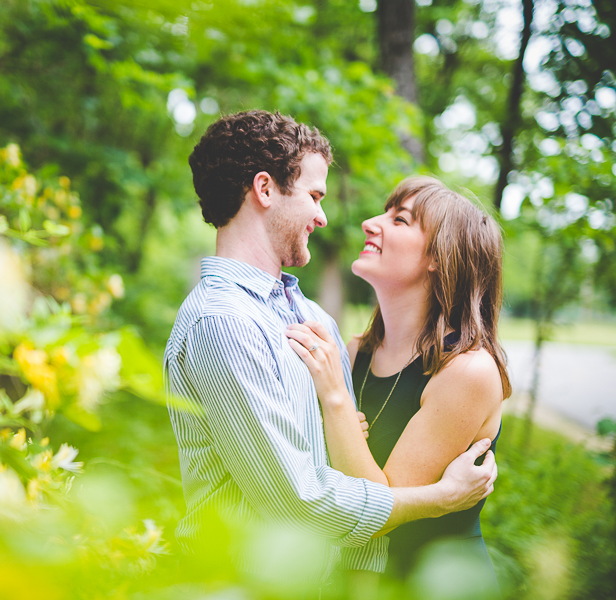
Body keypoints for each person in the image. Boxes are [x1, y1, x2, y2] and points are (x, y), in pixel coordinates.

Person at [165, 110, 497, 583]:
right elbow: (300, 501)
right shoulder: (222, 323)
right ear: (264, 190)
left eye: (398, 219)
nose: (325, 216)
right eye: (315, 196)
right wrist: (439, 498)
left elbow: (341, 484)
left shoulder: (314, 320)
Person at [285, 176, 508, 592]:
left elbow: (374, 518)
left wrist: (335, 404)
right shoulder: (352, 353)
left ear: (439, 257)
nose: (371, 223)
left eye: (400, 220)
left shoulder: (467, 371)